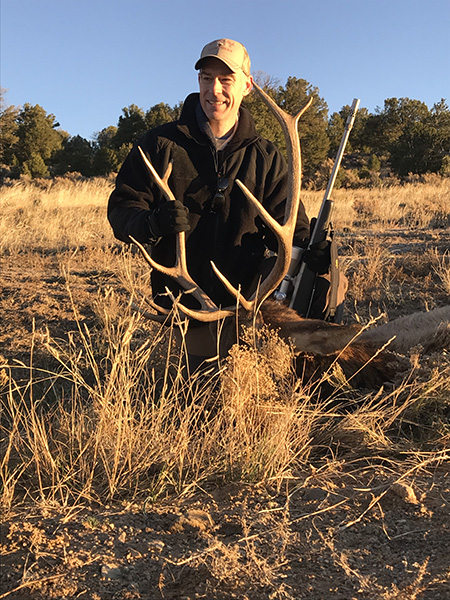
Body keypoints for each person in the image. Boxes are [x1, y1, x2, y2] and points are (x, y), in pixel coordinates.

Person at [108, 38, 336, 371]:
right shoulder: (158, 145)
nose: (214, 90)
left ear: (246, 85)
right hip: (181, 311)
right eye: (206, 78)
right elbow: (121, 211)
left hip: (249, 313)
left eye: (226, 80)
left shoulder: (267, 157)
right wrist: (153, 223)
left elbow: (290, 223)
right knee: (190, 395)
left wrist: (308, 249)